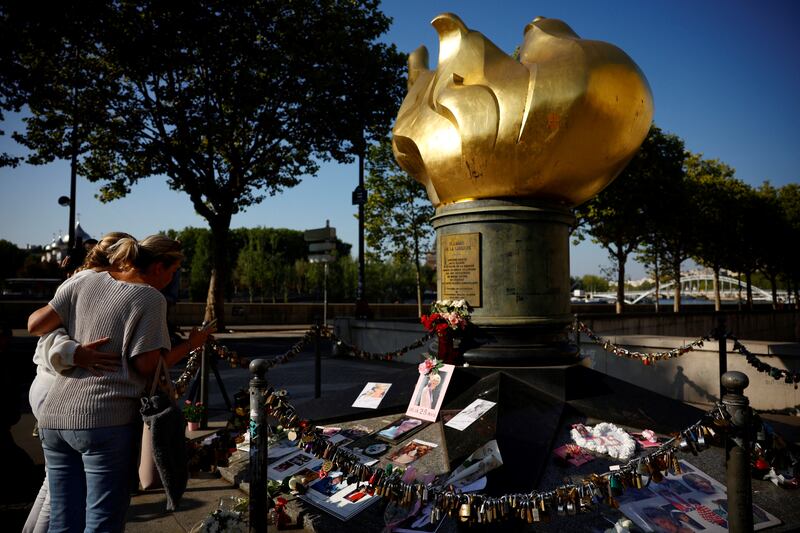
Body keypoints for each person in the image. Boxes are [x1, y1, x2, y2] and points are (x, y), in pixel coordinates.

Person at [28, 235, 212, 532]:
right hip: (104, 419)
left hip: (54, 415)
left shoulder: (85, 279)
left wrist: (77, 352)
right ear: (157, 266)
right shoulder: (150, 297)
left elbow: (36, 324)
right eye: (173, 270)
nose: (172, 278)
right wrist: (191, 345)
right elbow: (146, 366)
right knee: (103, 521)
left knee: (62, 520)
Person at [23, 232, 132, 533]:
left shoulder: (89, 280)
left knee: (54, 489)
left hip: (53, 386)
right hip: (55, 384)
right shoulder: (87, 280)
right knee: (60, 495)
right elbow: (38, 327)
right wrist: (75, 353)